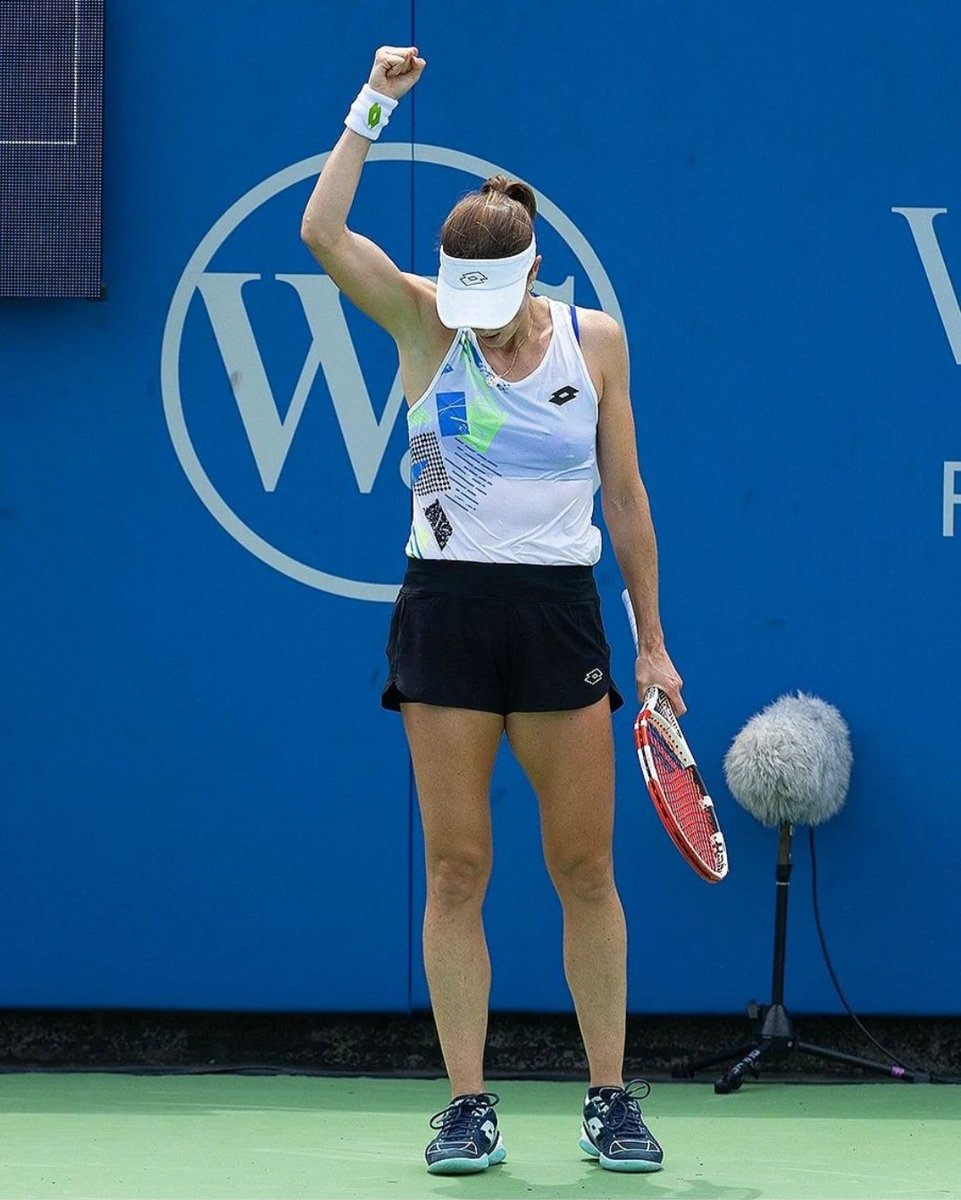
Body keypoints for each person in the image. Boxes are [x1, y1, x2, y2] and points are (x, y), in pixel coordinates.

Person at [301, 45, 685, 1177]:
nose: (475, 312)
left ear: (533, 269)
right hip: (447, 611)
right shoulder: (424, 322)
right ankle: (467, 1102)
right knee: (457, 869)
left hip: (560, 615)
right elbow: (323, 234)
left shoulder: (594, 343)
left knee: (583, 869)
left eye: (493, 293)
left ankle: (609, 1096)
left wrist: (653, 646)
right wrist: (373, 105)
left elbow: (624, 497)